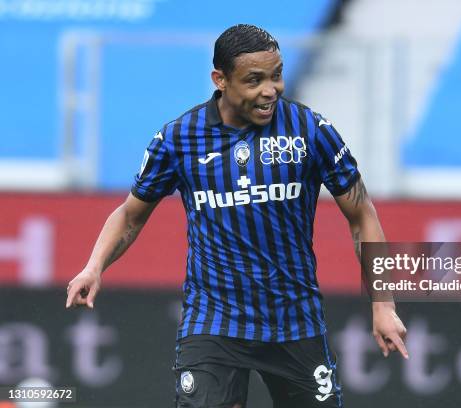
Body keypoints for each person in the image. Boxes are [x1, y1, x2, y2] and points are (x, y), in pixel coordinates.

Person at [65, 24, 407, 408]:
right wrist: (94, 267)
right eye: (254, 80)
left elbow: (361, 213)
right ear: (220, 79)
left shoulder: (310, 131)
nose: (270, 90)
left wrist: (383, 303)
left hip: (294, 321)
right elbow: (130, 215)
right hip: (214, 323)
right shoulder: (179, 139)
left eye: (276, 76)